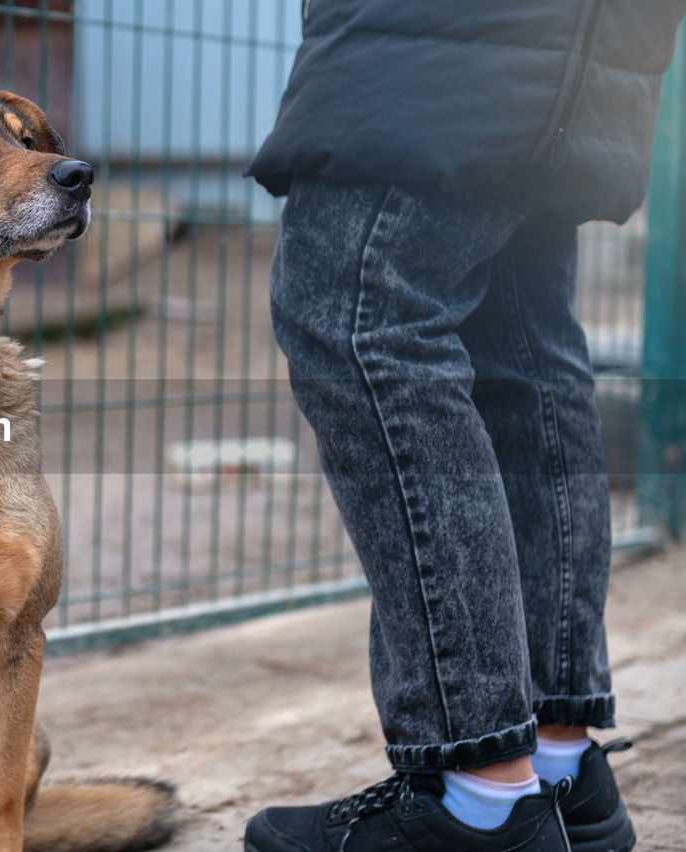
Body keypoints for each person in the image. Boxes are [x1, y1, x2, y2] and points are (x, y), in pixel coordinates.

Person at [242, 3, 686, 850]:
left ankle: (477, 798)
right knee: (519, 351)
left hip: (444, 34)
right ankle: (558, 770)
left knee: (360, 323)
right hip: (583, 42)